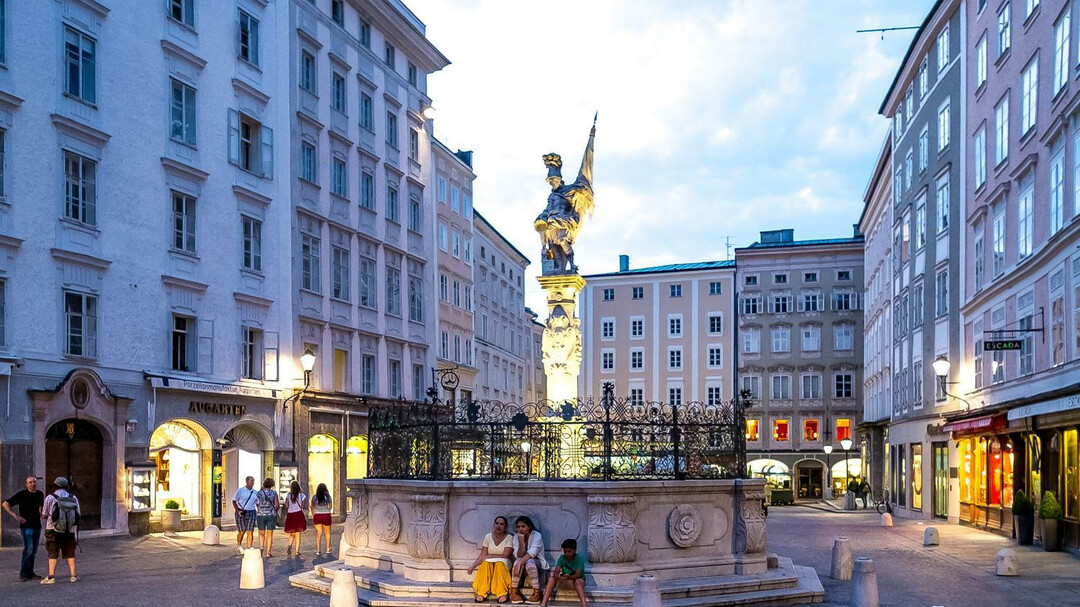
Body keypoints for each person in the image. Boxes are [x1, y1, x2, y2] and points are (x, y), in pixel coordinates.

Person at [2, 476, 45, 581]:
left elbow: (40, 507)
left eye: (34, 482)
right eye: (30, 482)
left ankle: (30, 572)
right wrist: (15, 516)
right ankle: (23, 573)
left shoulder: (40, 494)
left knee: (34, 550)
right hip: (26, 526)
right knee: (28, 549)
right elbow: (5, 504)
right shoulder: (22, 495)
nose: (33, 484)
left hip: (37, 525)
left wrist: (42, 515)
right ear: (26, 484)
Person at [40, 477, 79, 584]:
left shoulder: (50, 498)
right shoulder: (73, 497)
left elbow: (44, 515)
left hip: (53, 529)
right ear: (67, 486)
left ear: (55, 485)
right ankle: (73, 575)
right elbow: (78, 514)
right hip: (69, 530)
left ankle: (51, 576)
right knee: (70, 552)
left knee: (53, 552)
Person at [467, 516, 514, 603]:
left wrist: (489, 556)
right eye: (497, 523)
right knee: (485, 564)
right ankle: (481, 592)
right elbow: (482, 556)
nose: (499, 526)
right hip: (489, 562)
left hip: (504, 561)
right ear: (493, 525)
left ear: (506, 527)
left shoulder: (509, 537)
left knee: (499, 564)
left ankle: (502, 593)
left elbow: (506, 555)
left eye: (501, 524)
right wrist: (473, 566)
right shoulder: (488, 537)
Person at [509, 516, 547, 604]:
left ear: (529, 527)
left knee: (528, 562)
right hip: (523, 565)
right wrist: (521, 542)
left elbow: (532, 554)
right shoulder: (516, 537)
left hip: (537, 563)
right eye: (518, 527)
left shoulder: (536, 535)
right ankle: (514, 591)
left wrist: (519, 564)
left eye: (523, 526)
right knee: (518, 560)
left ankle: (536, 593)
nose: (520, 529)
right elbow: (519, 555)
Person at [539, 539, 586, 607]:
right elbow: (556, 572)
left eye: (569, 551)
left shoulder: (580, 558)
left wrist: (569, 577)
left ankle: (584, 605)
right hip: (565, 580)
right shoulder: (562, 558)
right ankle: (543, 604)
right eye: (565, 551)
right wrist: (558, 577)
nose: (567, 554)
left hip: (577, 581)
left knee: (578, 581)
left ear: (575, 550)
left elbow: (578, 574)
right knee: (551, 579)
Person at [232, 476, 258, 554]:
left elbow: (257, 503)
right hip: (241, 511)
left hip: (251, 511)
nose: (252, 482)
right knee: (242, 530)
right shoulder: (240, 491)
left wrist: (259, 511)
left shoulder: (255, 492)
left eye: (253, 481)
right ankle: (239, 545)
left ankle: (249, 547)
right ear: (247, 482)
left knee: (250, 530)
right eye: (251, 481)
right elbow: (234, 501)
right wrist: (237, 510)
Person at [254, 478, 279, 557]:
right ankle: (268, 552)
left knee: (261, 533)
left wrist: (260, 509)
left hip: (261, 514)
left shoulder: (259, 493)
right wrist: (274, 510)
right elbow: (277, 504)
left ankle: (261, 547)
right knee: (269, 534)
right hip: (271, 514)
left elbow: (257, 503)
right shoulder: (274, 493)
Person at [284, 480, 307, 556]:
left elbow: (286, 506)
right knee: (298, 534)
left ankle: (290, 545)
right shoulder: (302, 495)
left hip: (291, 514)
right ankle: (297, 551)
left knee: (292, 533)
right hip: (298, 514)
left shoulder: (288, 495)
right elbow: (303, 506)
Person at [310, 483, 333, 557]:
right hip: (326, 515)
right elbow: (330, 507)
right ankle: (328, 548)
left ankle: (318, 550)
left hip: (317, 515)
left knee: (318, 534)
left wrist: (313, 514)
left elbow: (312, 506)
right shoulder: (328, 497)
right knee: (327, 533)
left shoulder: (314, 497)